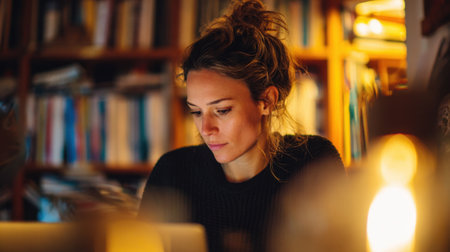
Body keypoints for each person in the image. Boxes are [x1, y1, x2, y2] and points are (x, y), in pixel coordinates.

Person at [139, 1, 344, 251]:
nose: (206, 128)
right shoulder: (173, 173)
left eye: (222, 110)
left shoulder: (313, 163)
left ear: (266, 101)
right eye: (196, 111)